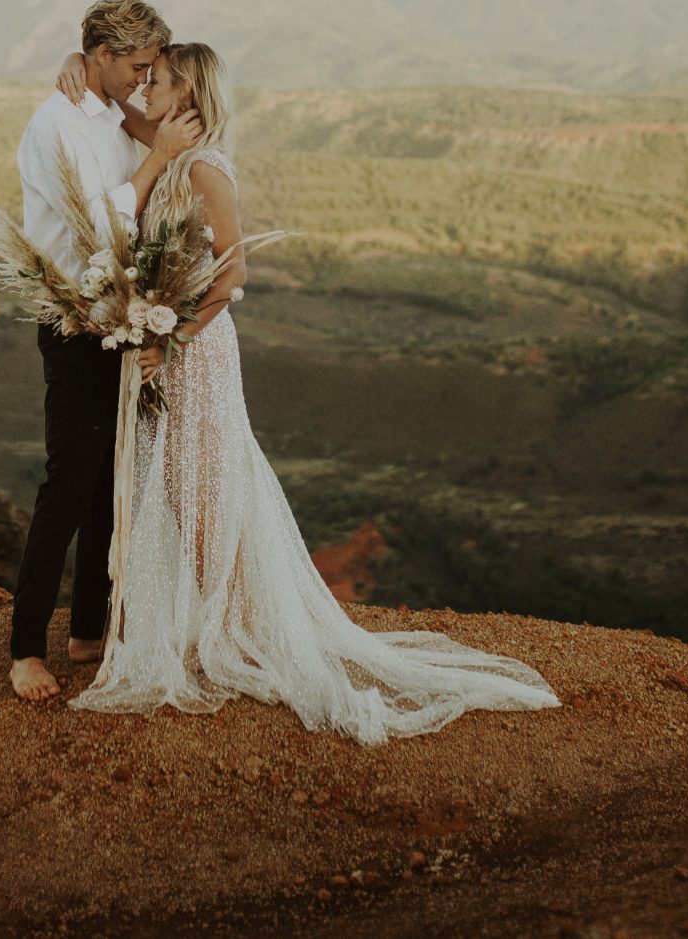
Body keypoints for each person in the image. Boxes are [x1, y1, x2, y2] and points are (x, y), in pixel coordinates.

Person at [55, 41, 563, 743]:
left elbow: (232, 280)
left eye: (159, 80)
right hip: (165, 349)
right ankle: (220, 622)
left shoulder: (205, 170)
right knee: (176, 488)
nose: (146, 89)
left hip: (194, 351)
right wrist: (87, 75)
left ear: (189, 93)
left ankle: (238, 631)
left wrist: (166, 339)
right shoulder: (171, 148)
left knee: (205, 495)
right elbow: (128, 119)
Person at [5, 0, 206, 703]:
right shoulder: (57, 125)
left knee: (111, 484)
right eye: (137, 65)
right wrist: (156, 162)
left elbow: (181, 115)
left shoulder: (116, 113)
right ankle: (26, 645)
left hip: (123, 319)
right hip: (73, 323)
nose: (144, 78)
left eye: (152, 66)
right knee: (68, 483)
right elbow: (101, 226)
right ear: (101, 56)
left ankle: (88, 627)